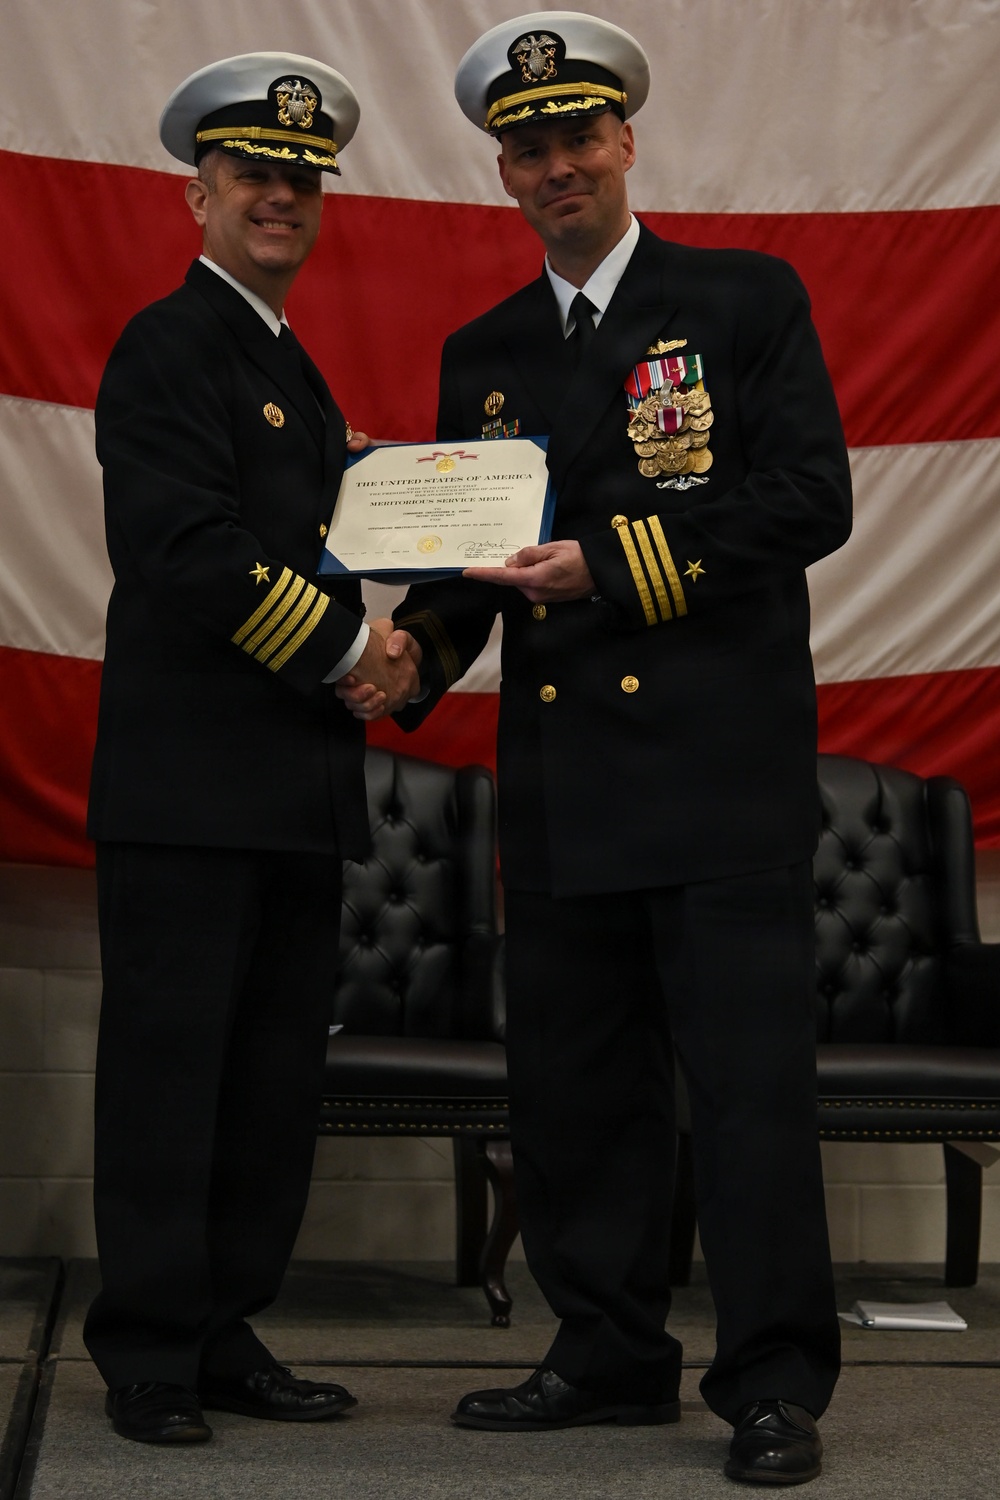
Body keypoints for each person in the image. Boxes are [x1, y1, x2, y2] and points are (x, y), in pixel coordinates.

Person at [341, 12, 851, 1486]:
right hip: (562, 796)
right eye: (527, 147)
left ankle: (771, 1384)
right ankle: (609, 1351)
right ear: (501, 172)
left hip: (719, 780)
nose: (556, 163)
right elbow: (465, 564)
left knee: (748, 1099)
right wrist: (416, 656)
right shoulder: (483, 353)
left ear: (626, 141)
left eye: (579, 135)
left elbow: (806, 503)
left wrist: (611, 571)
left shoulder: (744, 301)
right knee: (577, 1096)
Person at [85, 52, 418, 1444]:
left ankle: (225, 1332)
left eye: (301, 179)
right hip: (190, 793)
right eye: (254, 176)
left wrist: (410, 616)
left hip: (286, 788)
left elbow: (327, 548)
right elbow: (190, 555)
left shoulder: (285, 359)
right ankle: (152, 1356)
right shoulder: (169, 347)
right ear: (198, 196)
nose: (281, 196)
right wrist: (360, 652)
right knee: (173, 1081)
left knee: (269, 1084)